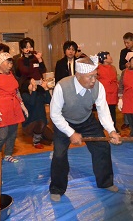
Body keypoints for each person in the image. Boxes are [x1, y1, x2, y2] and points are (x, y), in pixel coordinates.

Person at [49, 55, 121, 202]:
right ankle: (57, 188)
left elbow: (103, 110)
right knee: (59, 155)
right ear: (78, 76)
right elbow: (54, 115)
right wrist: (71, 133)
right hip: (64, 122)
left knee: (102, 148)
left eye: (95, 76)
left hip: (87, 120)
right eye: (90, 77)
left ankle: (105, 182)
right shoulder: (62, 87)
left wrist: (111, 130)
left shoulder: (98, 87)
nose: (94, 80)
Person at [0, 52, 28, 163]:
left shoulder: (11, 74)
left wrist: (22, 105)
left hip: (14, 106)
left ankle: (8, 154)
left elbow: (16, 91)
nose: (10, 65)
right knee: (2, 135)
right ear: (0, 63)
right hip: (1, 108)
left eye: (11, 63)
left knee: (13, 133)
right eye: (8, 62)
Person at [20, 78, 53, 149]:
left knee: (52, 138)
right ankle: (36, 141)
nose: (34, 85)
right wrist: (34, 90)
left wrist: (46, 88)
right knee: (40, 122)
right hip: (29, 124)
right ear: (27, 86)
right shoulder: (24, 95)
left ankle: (39, 135)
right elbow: (32, 102)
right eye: (31, 84)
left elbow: (49, 101)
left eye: (35, 83)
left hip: (41, 123)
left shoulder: (38, 94)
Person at [97, 51, 118, 131]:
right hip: (104, 92)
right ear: (104, 59)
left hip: (113, 91)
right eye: (109, 56)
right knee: (103, 109)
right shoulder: (98, 68)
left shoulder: (113, 68)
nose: (111, 57)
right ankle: (101, 126)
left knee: (112, 110)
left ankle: (113, 127)